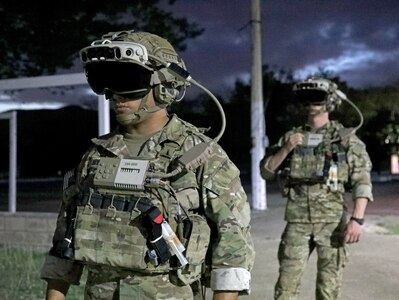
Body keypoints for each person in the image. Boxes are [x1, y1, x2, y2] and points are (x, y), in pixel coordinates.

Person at [41, 30, 254, 300]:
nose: (115, 94)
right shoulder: (96, 156)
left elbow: (233, 247)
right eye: (105, 80)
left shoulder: (201, 155)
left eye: (128, 80)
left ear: (165, 85)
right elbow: (64, 242)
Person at [260, 77, 373, 300]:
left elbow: (362, 180)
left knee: (328, 289)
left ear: (330, 101)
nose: (311, 103)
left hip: (332, 223)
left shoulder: (345, 139)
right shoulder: (291, 137)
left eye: (317, 97)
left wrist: (357, 220)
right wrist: (286, 148)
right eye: (305, 97)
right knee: (285, 288)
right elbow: (266, 172)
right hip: (298, 222)